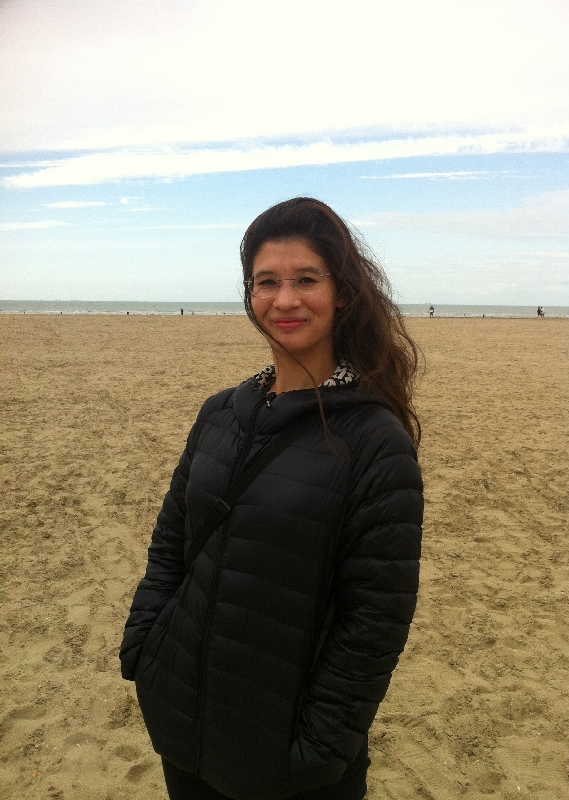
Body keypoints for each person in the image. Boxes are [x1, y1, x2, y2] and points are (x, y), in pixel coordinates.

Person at [120, 197, 424, 800]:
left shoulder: (373, 441)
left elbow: (375, 619)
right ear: (250, 294)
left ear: (342, 293)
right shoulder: (219, 413)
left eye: (306, 279)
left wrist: (320, 747)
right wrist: (145, 648)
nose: (285, 300)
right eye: (267, 282)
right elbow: (170, 543)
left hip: (288, 761)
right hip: (183, 725)